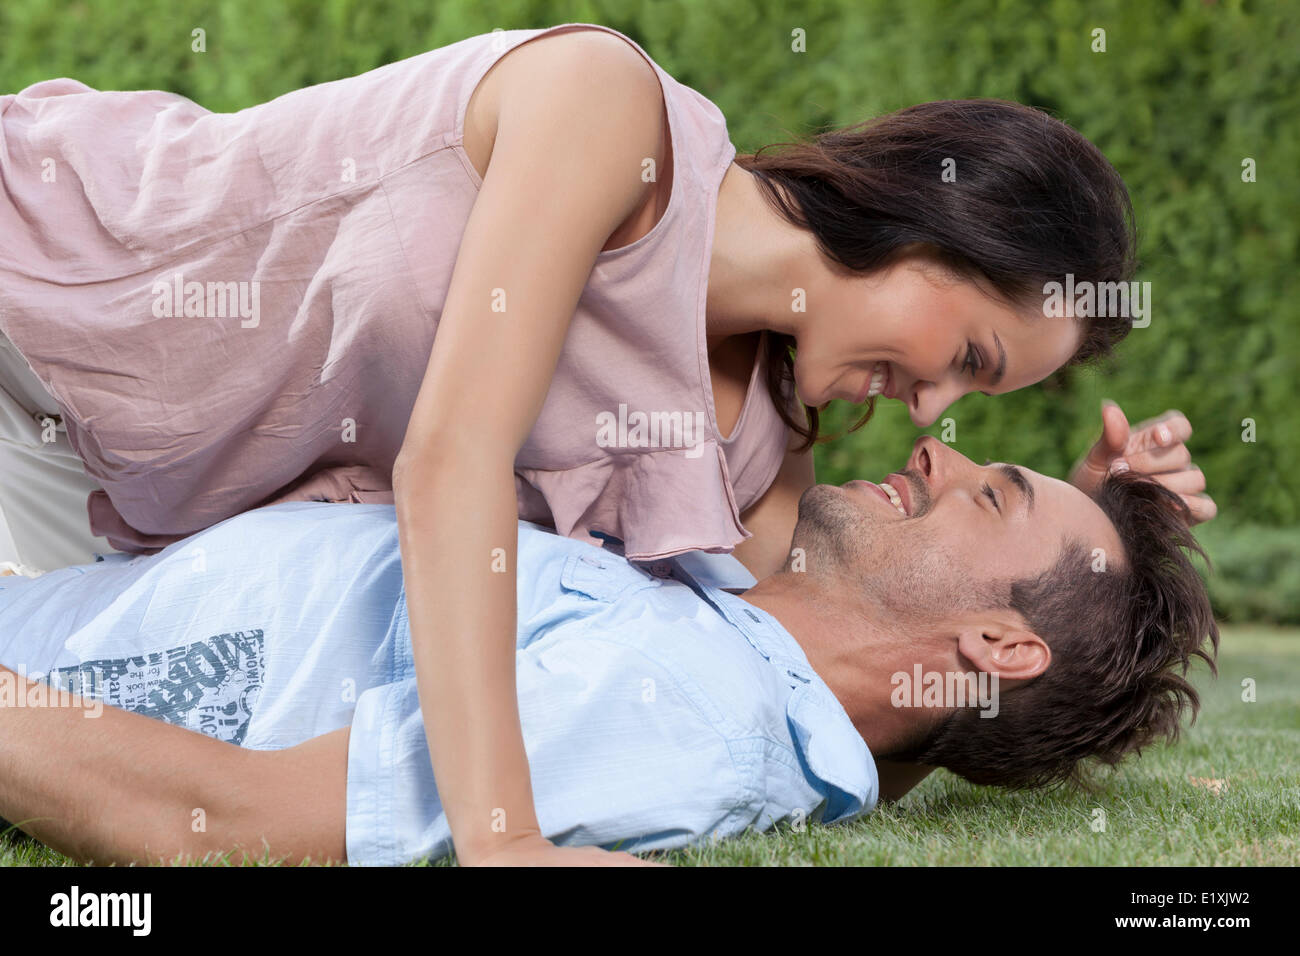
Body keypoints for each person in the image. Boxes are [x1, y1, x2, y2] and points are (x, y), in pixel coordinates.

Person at [0, 21, 1213, 865]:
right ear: (932, 223)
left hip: (116, 492)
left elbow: (842, 687)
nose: (936, 411)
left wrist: (1092, 555)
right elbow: (450, 462)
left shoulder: (751, 457)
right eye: (971, 357)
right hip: (57, 293)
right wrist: (500, 830)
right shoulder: (611, 117)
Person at [0, 437, 1218, 866]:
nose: (937, 454)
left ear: (999, 640)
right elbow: (908, 726)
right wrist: (1105, 534)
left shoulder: (684, 712)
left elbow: (219, 819)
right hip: (78, 562)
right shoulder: (767, 651)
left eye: (990, 494)